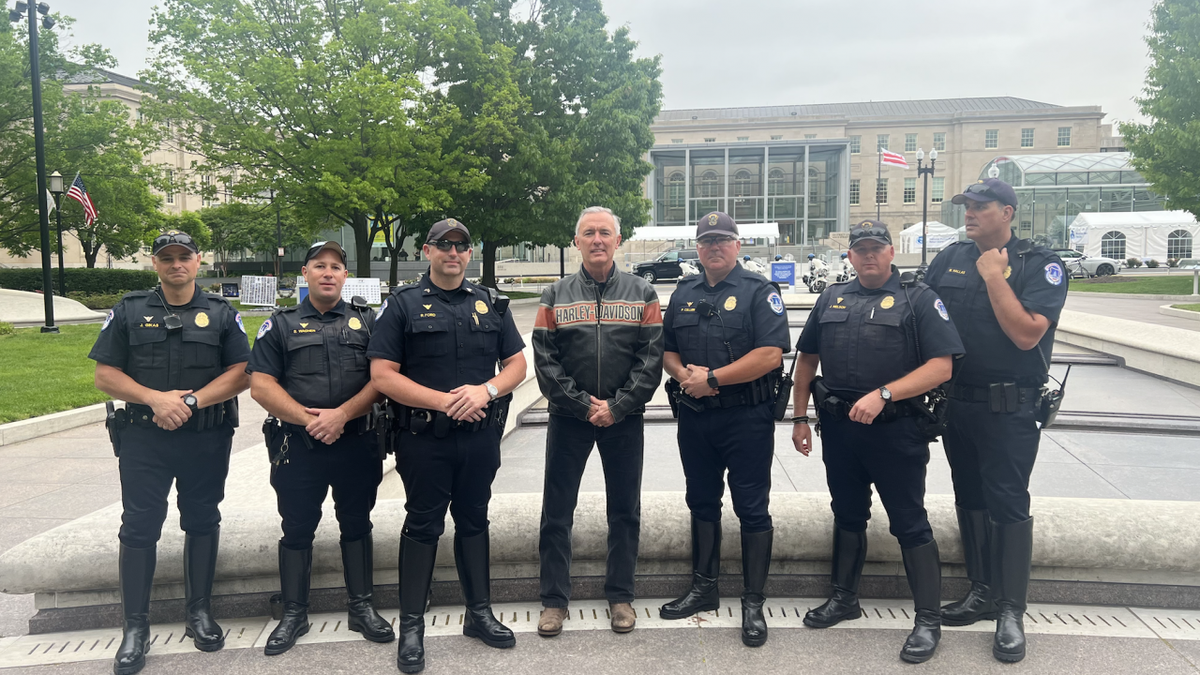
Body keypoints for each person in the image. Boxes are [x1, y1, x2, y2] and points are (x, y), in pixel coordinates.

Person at [792, 220, 964, 664]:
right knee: (847, 515)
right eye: (860, 249)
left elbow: (941, 366)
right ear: (849, 256)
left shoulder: (919, 298)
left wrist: (885, 393)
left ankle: (928, 621)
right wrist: (798, 417)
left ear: (891, 253)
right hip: (841, 430)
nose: (868, 255)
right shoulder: (832, 297)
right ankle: (844, 599)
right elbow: (807, 359)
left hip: (895, 430)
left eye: (876, 248)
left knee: (909, 522)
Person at [368, 218, 527, 674]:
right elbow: (382, 375)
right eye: (443, 245)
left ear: (470, 253)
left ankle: (479, 615)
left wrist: (486, 392)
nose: (452, 252)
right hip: (423, 440)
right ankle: (412, 629)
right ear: (427, 250)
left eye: (461, 246)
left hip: (479, 438)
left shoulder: (490, 303)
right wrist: (446, 403)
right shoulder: (402, 305)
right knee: (422, 526)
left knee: (475, 521)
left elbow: (516, 364)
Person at [89, 230, 250, 675]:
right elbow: (106, 375)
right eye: (167, 258)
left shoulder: (220, 313)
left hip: (205, 436)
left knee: (202, 520)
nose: (176, 264)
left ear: (199, 262)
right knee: (139, 527)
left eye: (184, 257)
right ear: (155, 264)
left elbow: (241, 373)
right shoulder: (129, 310)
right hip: (145, 436)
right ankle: (134, 628)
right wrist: (155, 400)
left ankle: (199, 613)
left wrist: (190, 402)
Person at [923, 178, 1068, 663]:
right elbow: (920, 318)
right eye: (967, 206)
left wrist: (993, 276)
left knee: (1007, 502)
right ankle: (981, 592)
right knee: (969, 497)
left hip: (1010, 407)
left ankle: (1010, 611)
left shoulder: (1038, 264)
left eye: (981, 207)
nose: (970, 213)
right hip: (956, 403)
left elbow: (1027, 335)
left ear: (1007, 212)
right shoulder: (949, 257)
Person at [247, 241, 394, 655]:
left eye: (335, 267)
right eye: (319, 266)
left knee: (357, 523)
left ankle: (362, 608)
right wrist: (311, 420)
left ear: (346, 277)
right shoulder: (280, 324)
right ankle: (294, 613)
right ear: (305, 275)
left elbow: (382, 380)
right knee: (296, 528)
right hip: (299, 445)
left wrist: (341, 415)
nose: (328, 272)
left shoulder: (368, 323)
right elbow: (261, 385)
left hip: (357, 442)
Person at [658, 211, 790, 647]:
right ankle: (704, 589)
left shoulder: (758, 291)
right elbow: (669, 352)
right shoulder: (683, 293)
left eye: (722, 240)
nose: (714, 247)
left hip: (745, 419)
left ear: (737, 245)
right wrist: (684, 378)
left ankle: (753, 602)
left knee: (752, 508)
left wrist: (713, 378)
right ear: (697, 248)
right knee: (701, 501)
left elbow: (771, 355)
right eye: (707, 241)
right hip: (696, 417)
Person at [533, 206, 664, 637]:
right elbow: (546, 361)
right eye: (588, 233)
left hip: (624, 420)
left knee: (625, 510)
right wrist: (581, 404)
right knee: (557, 511)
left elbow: (651, 360)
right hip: (568, 418)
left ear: (617, 240)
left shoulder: (643, 293)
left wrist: (618, 405)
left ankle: (621, 595)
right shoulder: (554, 295)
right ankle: (554, 600)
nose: (597, 240)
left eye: (605, 233)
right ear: (577, 242)